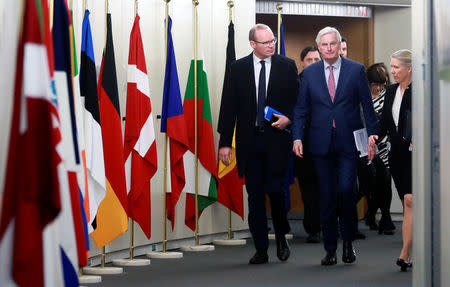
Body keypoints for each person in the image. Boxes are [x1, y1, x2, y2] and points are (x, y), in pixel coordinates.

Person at [292, 26, 377, 266]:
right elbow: (301, 110)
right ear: (319, 47)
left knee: (345, 192)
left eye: (333, 44)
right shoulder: (309, 74)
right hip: (320, 144)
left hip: (348, 143)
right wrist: (297, 137)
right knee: (327, 196)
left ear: (340, 45)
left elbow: (367, 106)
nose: (329, 48)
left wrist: (373, 135)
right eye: (324, 45)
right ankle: (330, 248)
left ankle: (348, 243)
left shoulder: (356, 70)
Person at [218, 24, 299, 264]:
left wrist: (290, 118)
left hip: (276, 139)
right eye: (265, 42)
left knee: (276, 193)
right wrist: (224, 143)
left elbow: (299, 100)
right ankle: (261, 248)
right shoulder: (238, 68)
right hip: (249, 142)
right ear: (253, 44)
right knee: (254, 197)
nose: (271, 45)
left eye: (273, 41)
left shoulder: (287, 66)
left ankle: (282, 235)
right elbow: (228, 105)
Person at [369, 50, 413, 271]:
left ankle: (405, 253)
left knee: (410, 201)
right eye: (392, 66)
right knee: (409, 204)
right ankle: (411, 252)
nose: (392, 71)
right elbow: (385, 123)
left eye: (396, 67)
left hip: (418, 156)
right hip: (397, 156)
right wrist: (374, 136)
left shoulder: (421, 91)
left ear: (409, 68)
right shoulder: (392, 91)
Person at [361, 63, 396, 235]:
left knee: (385, 180)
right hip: (366, 145)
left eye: (381, 84)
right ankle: (371, 213)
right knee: (370, 182)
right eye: (375, 83)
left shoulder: (388, 94)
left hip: (383, 144)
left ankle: (386, 217)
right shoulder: (362, 95)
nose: (378, 87)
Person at [295, 46, 322, 243]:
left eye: (317, 59)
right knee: (309, 187)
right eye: (310, 60)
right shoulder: (295, 83)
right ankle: (313, 228)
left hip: (327, 142)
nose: (314, 63)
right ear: (302, 62)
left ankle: (329, 224)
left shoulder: (331, 80)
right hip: (303, 143)